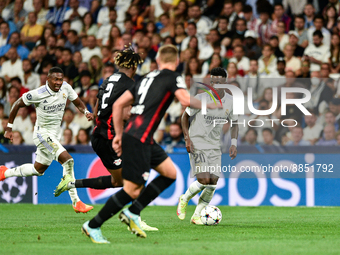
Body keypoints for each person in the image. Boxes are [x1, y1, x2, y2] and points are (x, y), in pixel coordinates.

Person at [81, 45, 220, 243]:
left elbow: (119, 104)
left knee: (170, 173)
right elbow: (185, 100)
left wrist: (119, 135)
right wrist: (213, 104)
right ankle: (93, 225)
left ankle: (133, 212)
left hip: (138, 136)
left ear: (158, 60)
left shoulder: (145, 78)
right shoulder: (173, 76)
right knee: (131, 189)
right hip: (139, 138)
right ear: (176, 61)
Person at [54, 46, 157, 231]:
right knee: (133, 177)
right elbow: (125, 114)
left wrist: (97, 118)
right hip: (109, 139)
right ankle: (133, 219)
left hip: (101, 135)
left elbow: (98, 101)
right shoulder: (129, 84)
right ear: (134, 66)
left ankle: (71, 183)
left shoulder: (109, 79)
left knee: (122, 180)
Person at [0, 67, 94, 213]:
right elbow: (17, 103)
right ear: (48, 79)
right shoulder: (38, 93)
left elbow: (77, 102)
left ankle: (5, 173)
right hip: (42, 134)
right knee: (68, 161)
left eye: (61, 79)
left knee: (38, 170)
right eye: (55, 79)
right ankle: (76, 201)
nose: (58, 82)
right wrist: (9, 128)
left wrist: (86, 112)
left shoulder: (66, 88)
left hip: (55, 135)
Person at [177, 67, 238, 224]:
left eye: (219, 81)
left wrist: (233, 143)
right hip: (197, 140)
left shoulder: (230, 102)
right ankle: (184, 198)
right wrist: (187, 139)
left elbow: (235, 123)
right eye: (213, 81)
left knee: (213, 183)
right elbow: (185, 116)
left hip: (214, 144)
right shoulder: (201, 98)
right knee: (204, 180)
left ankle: (197, 215)